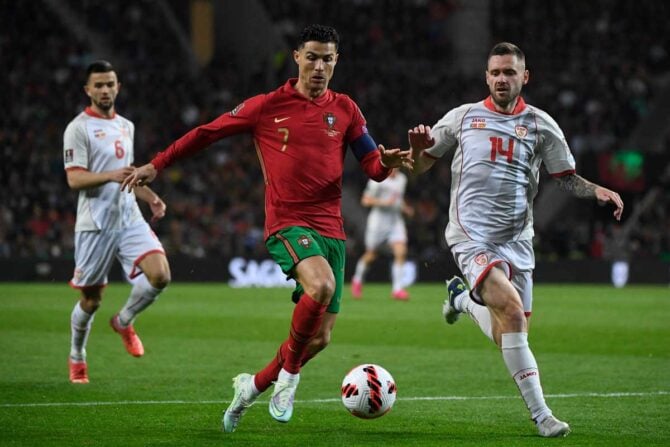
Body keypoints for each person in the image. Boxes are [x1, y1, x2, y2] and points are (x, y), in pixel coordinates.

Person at [121, 24, 412, 431]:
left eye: (327, 58)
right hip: (288, 222)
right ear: (296, 58)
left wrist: (390, 163)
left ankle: (251, 387)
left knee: (321, 338)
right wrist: (158, 163)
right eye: (311, 57)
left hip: (332, 231)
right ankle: (289, 378)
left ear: (336, 62)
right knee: (321, 286)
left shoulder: (346, 108)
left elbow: (372, 167)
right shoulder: (267, 106)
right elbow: (207, 133)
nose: (319, 66)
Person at [408, 42, 624, 438]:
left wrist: (598, 191)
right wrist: (418, 153)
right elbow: (418, 168)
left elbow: (566, 179)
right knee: (508, 309)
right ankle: (542, 416)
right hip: (470, 236)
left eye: (509, 72)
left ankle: (461, 300)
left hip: (518, 242)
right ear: (486, 77)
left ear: (525, 77)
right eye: (495, 73)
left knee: (508, 331)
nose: (501, 79)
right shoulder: (461, 118)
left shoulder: (542, 125)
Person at [63, 60, 171, 384]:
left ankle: (124, 321)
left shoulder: (127, 125)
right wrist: (110, 175)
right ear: (88, 90)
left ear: (118, 87)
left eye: (110, 83)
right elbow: (74, 180)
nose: (105, 90)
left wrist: (150, 196)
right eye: (98, 85)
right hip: (96, 223)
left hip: (128, 217)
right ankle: (77, 356)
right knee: (91, 300)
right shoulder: (78, 128)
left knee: (160, 275)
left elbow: (127, 175)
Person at [351, 168, 414, 300]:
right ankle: (357, 279)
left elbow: (398, 200)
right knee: (371, 254)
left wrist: (405, 208)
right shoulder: (377, 180)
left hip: (395, 221)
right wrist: (384, 203)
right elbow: (365, 200)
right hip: (378, 222)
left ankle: (397, 289)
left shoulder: (402, 179)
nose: (395, 168)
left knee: (401, 251)